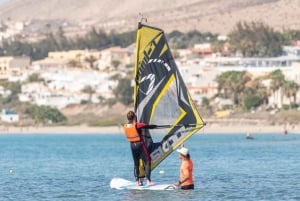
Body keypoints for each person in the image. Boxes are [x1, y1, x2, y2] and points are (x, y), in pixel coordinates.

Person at [124, 110, 156, 186]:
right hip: (140, 145)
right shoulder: (137, 125)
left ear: (127, 118)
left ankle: (137, 182)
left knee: (136, 163)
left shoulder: (126, 126)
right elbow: (147, 126)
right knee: (147, 161)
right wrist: (155, 126)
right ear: (134, 117)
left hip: (132, 146)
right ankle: (148, 181)